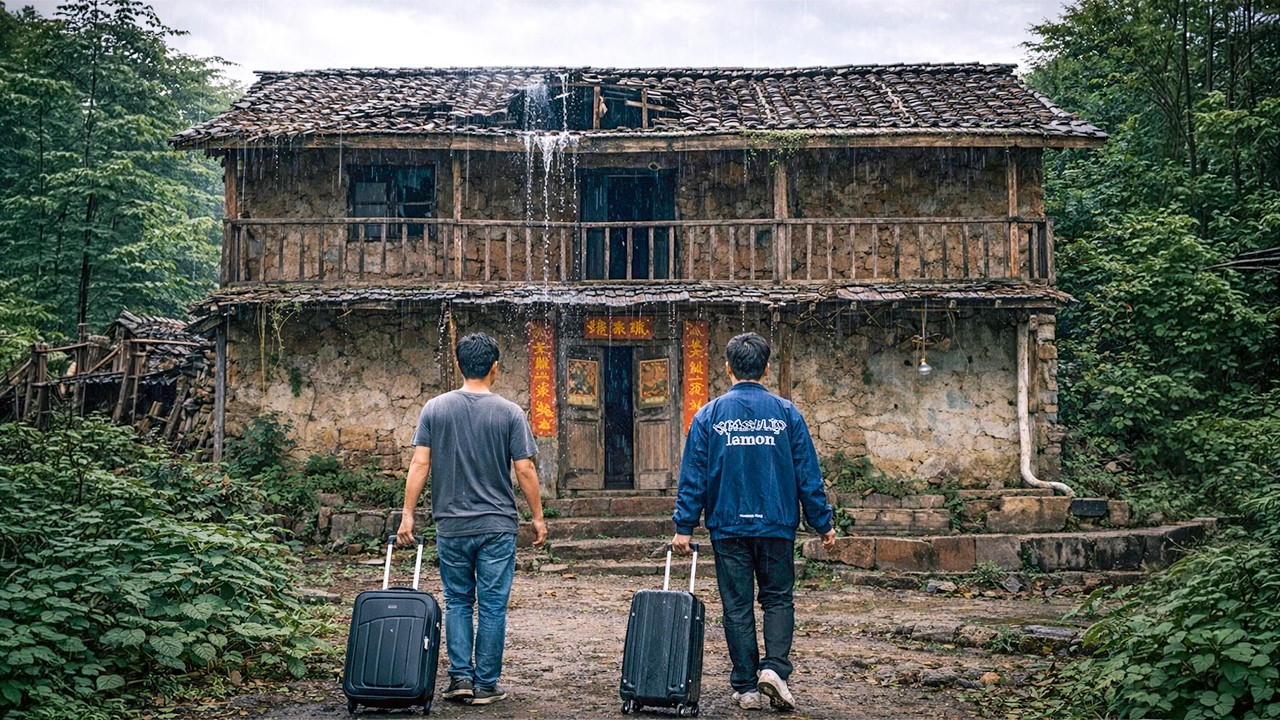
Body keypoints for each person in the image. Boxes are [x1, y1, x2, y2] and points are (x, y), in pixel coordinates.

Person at [671, 331, 836, 712]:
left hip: (728, 526)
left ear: (727, 368)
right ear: (766, 368)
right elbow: (807, 475)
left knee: (737, 606)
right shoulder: (787, 414)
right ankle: (775, 669)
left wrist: (684, 526)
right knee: (777, 598)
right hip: (776, 523)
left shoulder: (709, 415)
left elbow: (693, 475)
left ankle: (746, 687)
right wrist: (822, 523)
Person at [396, 332, 547, 707]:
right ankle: (486, 684)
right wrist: (538, 517)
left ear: (459, 365)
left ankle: (460, 678)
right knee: (493, 604)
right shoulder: (510, 412)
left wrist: (408, 515)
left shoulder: (435, 409)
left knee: (459, 601)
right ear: (495, 367)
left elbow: (420, 463)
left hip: (451, 524)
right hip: (497, 525)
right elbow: (525, 469)